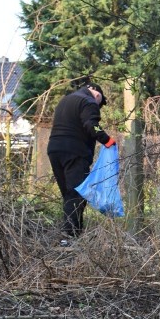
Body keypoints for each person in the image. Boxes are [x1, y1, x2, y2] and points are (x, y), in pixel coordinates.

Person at [47, 81, 115, 246]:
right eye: (100, 103)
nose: (99, 106)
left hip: (54, 149)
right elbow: (92, 125)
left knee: (69, 195)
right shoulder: (89, 101)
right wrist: (108, 140)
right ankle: (70, 239)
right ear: (97, 94)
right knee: (77, 195)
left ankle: (68, 236)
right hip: (75, 151)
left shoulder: (66, 100)